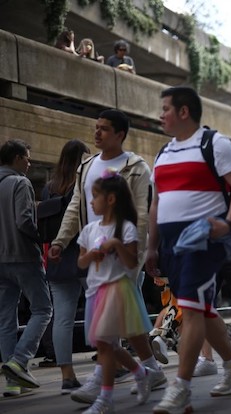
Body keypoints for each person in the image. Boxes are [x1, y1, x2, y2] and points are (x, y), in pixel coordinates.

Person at [147, 86, 231, 412]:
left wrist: (229, 221)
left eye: (165, 108)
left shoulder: (215, 144)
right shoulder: (163, 152)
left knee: (191, 310)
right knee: (200, 310)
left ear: (183, 112)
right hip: (172, 245)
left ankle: (180, 389)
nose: (160, 114)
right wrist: (152, 247)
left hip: (206, 241)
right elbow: (157, 203)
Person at [48, 110, 166, 404]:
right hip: (97, 254)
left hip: (124, 254)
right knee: (126, 321)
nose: (97, 133)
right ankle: (150, 367)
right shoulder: (86, 166)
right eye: (96, 127)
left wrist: (135, 255)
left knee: (108, 324)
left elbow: (140, 213)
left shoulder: (136, 167)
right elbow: (76, 206)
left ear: (120, 134)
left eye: (104, 129)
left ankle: (100, 381)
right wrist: (62, 241)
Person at [75, 170, 154, 413]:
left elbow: (131, 263)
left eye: (95, 196)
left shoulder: (126, 228)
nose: (91, 201)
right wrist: (92, 254)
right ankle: (141, 372)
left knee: (106, 347)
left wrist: (117, 245)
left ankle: (105, 400)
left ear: (110, 199)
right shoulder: (89, 230)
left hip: (116, 290)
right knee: (106, 344)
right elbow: (81, 263)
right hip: (94, 292)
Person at [0, 139, 53, 396]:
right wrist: (40, 236)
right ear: (18, 158)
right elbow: (24, 220)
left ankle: (13, 382)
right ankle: (19, 361)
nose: (30, 163)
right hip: (23, 256)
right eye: (27, 158)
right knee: (43, 309)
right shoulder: (21, 182)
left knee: (6, 318)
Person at [41, 139, 90, 394]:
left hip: (57, 257)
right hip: (82, 254)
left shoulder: (49, 188)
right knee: (98, 307)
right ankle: (110, 362)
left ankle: (67, 375)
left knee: (62, 317)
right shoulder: (81, 185)